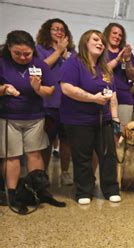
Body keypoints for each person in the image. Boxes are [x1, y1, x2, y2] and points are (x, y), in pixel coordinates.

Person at [59, 29, 121, 205]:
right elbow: (67, 88)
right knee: (82, 156)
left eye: (102, 41)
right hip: (78, 120)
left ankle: (111, 189)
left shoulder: (105, 68)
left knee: (108, 155)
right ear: (85, 42)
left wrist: (115, 119)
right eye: (96, 39)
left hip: (104, 119)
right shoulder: (73, 63)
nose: (100, 43)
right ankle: (84, 190)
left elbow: (113, 95)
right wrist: (93, 98)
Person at [0, 30, 55, 208]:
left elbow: (50, 91)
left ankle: (36, 192)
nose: (23, 57)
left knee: (35, 153)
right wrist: (4, 89)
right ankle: (13, 195)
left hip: (34, 117)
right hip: (9, 117)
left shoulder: (40, 65)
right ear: (9, 48)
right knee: (12, 156)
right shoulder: (2, 63)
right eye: (18, 53)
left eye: (27, 54)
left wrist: (38, 88)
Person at [36, 18, 76, 185]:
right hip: (48, 104)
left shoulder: (72, 52)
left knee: (66, 141)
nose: (59, 32)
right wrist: (58, 51)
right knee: (46, 142)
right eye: (55, 29)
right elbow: (41, 67)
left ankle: (65, 172)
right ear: (47, 31)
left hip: (68, 104)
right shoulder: (40, 49)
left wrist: (66, 54)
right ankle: (43, 174)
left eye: (62, 29)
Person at [103, 23, 134, 126]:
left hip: (124, 98)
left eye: (120, 35)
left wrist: (127, 60)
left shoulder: (127, 53)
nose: (117, 37)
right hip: (105, 96)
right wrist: (117, 59)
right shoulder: (101, 50)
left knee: (122, 134)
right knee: (106, 134)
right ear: (108, 33)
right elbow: (101, 70)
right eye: (114, 33)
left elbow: (133, 76)